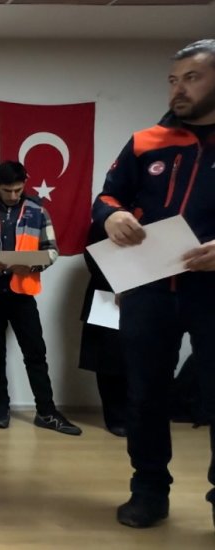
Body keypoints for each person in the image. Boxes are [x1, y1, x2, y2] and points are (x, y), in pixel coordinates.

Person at [92, 38, 215, 529]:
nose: (178, 89)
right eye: (172, 80)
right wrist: (112, 216)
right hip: (149, 288)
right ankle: (148, 491)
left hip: (211, 294)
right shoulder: (146, 141)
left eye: (192, 78)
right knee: (143, 395)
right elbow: (106, 196)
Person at [0, 161, 81, 435]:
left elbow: (52, 250)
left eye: (18, 190)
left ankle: (46, 411)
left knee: (35, 353)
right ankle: (1, 407)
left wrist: (33, 265)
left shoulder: (37, 210)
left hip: (22, 291)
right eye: (7, 190)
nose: (13, 196)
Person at [77, 221, 127, 437]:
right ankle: (116, 417)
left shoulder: (153, 214)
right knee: (107, 359)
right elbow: (93, 256)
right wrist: (118, 283)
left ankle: (140, 414)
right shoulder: (104, 221)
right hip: (108, 294)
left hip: (149, 293)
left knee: (145, 358)